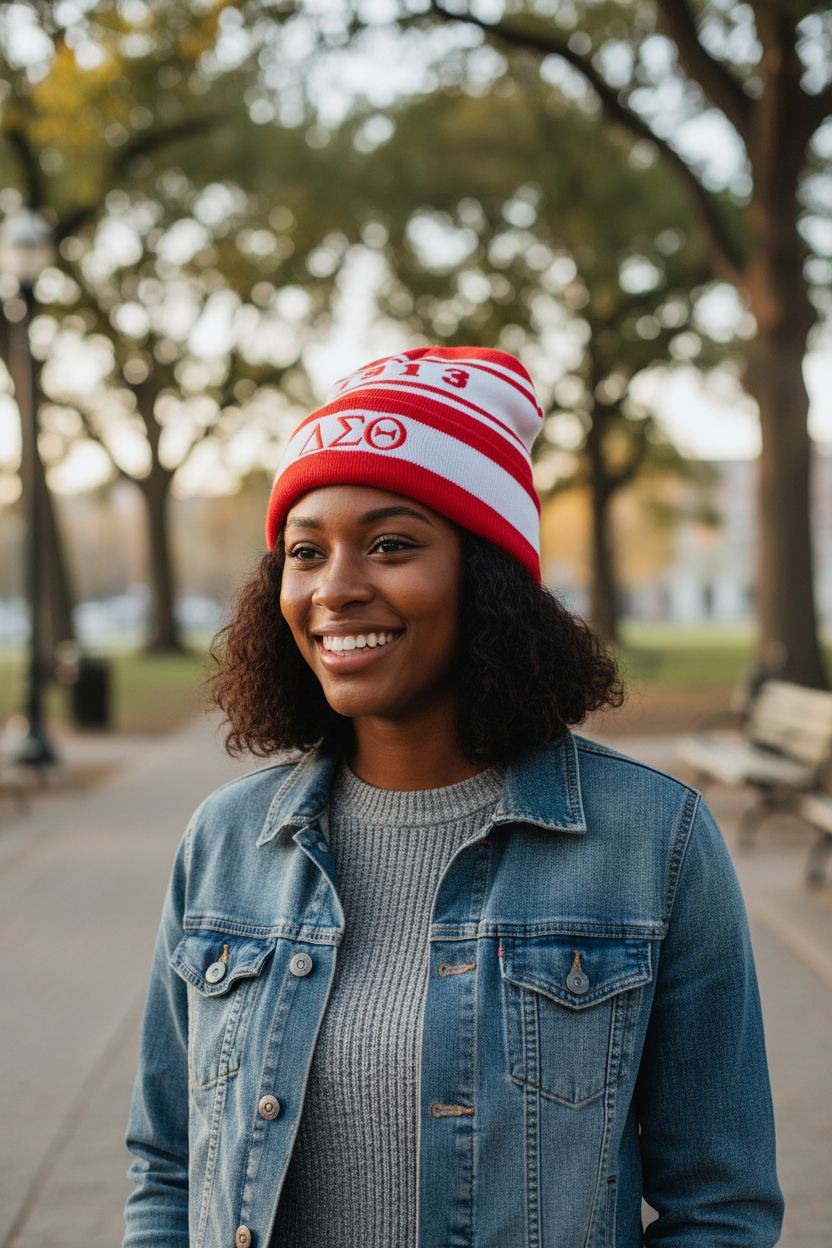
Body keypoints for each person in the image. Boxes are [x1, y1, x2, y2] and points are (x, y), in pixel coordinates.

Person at [123, 346, 783, 1248]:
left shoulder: (652, 842)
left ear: (489, 577)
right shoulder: (227, 841)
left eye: (391, 545)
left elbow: (722, 1206)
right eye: (306, 552)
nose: (337, 587)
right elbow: (167, 1169)